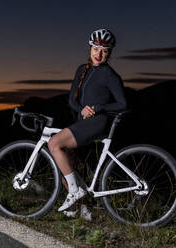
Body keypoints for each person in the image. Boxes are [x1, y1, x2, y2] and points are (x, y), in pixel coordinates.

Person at [47, 29, 128, 216]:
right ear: (90, 48)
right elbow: (72, 101)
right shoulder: (81, 70)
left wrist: (98, 107)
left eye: (104, 51)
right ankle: (82, 208)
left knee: (54, 143)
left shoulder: (109, 74)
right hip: (82, 122)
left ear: (109, 53)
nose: (99, 54)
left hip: (98, 123)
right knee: (65, 161)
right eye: (96, 49)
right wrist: (81, 110)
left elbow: (123, 103)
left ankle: (75, 192)